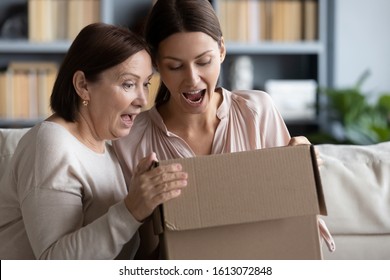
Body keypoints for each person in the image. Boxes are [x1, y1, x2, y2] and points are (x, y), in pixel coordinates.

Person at [113, 0, 333, 258]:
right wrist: (143, 208)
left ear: (222, 51)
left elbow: (295, 223)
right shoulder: (132, 139)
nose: (192, 78)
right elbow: (137, 257)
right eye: (175, 66)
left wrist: (303, 168)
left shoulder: (257, 112)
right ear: (157, 65)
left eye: (203, 61)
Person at [0, 22, 188, 260]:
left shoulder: (110, 148)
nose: (142, 99)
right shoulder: (50, 143)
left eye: (146, 84)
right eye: (128, 84)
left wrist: (150, 209)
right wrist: (131, 210)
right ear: (83, 85)